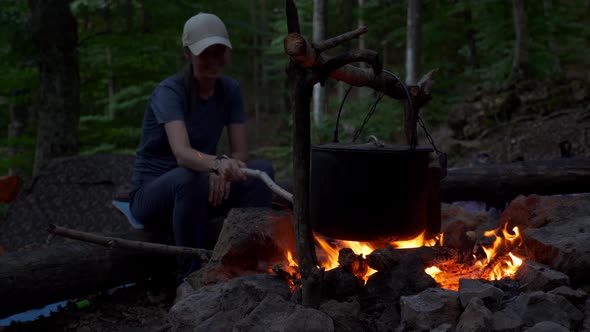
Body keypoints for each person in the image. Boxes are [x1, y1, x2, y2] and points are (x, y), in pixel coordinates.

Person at [129, 12, 274, 285]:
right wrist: (216, 164)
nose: (213, 60)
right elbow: (182, 154)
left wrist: (222, 168)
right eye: (205, 53)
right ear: (187, 54)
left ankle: (248, 262)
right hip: (153, 195)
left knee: (261, 171)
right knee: (189, 178)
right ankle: (190, 275)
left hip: (202, 186)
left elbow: (241, 153)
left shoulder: (229, 90)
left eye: (219, 51)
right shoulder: (169, 92)